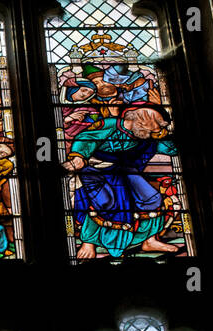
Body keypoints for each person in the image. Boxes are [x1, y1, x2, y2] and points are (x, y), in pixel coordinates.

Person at [62, 102, 181, 258]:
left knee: (152, 199)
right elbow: (87, 138)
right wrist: (78, 157)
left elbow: (172, 149)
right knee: (104, 203)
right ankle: (88, 242)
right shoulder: (110, 124)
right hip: (95, 169)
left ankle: (149, 240)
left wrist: (166, 134)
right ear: (133, 116)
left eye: (156, 124)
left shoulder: (147, 137)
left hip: (124, 171)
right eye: (149, 119)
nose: (153, 126)